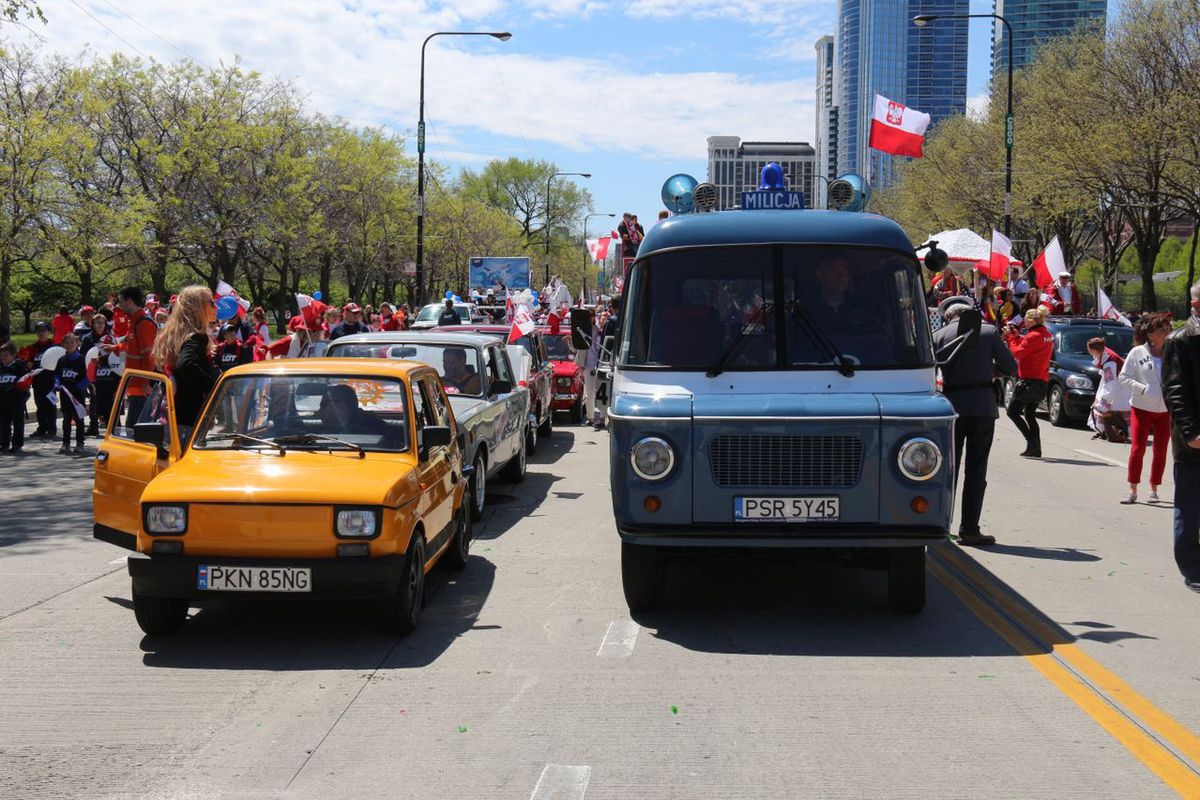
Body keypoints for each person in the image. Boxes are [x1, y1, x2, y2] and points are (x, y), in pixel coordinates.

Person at [934, 297, 1018, 546]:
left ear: (948, 316)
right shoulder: (989, 331)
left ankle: (940, 525)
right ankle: (969, 529)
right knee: (976, 470)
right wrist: (990, 369)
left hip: (950, 408)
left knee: (948, 471)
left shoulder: (938, 335)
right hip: (981, 406)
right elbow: (1011, 367)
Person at [1161, 281, 1200, 592]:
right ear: (1196, 305)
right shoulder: (1180, 340)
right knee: (1190, 509)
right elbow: (1175, 391)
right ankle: (1192, 569)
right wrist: (1190, 433)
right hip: (1194, 443)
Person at [152, 286, 219, 438]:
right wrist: (214, 388)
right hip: (187, 420)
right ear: (198, 307)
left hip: (175, 415)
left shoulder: (180, 335)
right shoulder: (195, 338)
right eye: (212, 303)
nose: (216, 307)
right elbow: (186, 364)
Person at [1118, 313, 1172, 504]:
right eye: (1162, 330)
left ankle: (1154, 489)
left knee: (1161, 450)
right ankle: (1132, 489)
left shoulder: (1172, 351)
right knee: (1138, 448)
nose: (1167, 332)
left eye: (1168, 329)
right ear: (1151, 334)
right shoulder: (1137, 352)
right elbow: (1123, 377)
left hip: (1165, 410)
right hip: (1141, 407)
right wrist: (1142, 389)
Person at [1003, 307, 1053, 458]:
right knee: (1030, 414)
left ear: (1032, 320)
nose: (1024, 320)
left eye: (1026, 317)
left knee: (1012, 412)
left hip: (1029, 380)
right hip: (1041, 379)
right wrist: (1017, 337)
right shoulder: (1046, 334)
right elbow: (1027, 347)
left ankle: (1032, 443)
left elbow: (1018, 352)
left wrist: (1011, 338)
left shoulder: (1033, 336)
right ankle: (1035, 449)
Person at [113, 286, 159, 427]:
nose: (119, 305)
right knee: (133, 428)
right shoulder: (134, 321)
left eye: (121, 301)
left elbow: (149, 355)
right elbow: (131, 348)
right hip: (135, 385)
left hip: (142, 387)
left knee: (136, 429)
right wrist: (114, 348)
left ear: (130, 302)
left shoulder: (143, 323)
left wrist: (146, 382)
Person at [1087, 336, 1131, 443]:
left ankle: (1116, 432)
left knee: (1109, 409)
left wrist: (1105, 399)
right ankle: (1106, 431)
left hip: (1118, 387)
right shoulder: (1104, 353)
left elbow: (1110, 383)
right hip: (1116, 384)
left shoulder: (1109, 363)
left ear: (1093, 350)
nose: (1088, 352)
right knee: (1109, 409)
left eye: (1089, 350)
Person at [20, 321, 56, 438]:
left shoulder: (54, 346)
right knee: (40, 405)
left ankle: (52, 428)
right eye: (39, 331)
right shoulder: (32, 348)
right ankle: (42, 428)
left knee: (51, 404)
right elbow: (27, 363)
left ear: (48, 332)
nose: (41, 333)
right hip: (38, 381)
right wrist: (28, 363)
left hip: (51, 381)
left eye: (44, 330)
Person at [55, 333, 89, 453]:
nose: (70, 345)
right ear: (63, 345)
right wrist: (57, 383)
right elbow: (57, 375)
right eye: (67, 343)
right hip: (65, 395)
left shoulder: (82, 359)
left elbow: (87, 376)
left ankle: (80, 443)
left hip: (78, 395)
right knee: (66, 419)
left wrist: (81, 385)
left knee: (79, 419)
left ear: (77, 343)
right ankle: (66, 443)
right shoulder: (61, 360)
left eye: (72, 342)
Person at [318, 383, 389, 436]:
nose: (319, 412)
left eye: (323, 406)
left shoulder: (376, 429)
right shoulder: (315, 432)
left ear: (341, 407)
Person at [0, 342, 29, 453]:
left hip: (17, 399)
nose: (3, 358)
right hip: (3, 399)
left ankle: (17, 444)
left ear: (13, 355)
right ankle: (4, 443)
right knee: (4, 422)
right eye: (1, 355)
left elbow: (25, 381)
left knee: (18, 422)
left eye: (6, 355)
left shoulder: (19, 366)